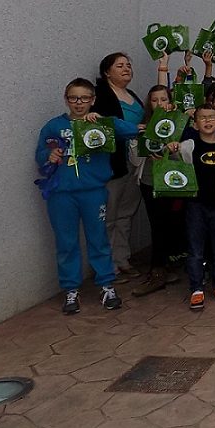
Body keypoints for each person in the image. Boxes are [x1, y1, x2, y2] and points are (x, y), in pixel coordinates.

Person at [36, 78, 138, 314]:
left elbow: (131, 130)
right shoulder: (53, 126)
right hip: (61, 194)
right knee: (66, 242)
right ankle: (71, 290)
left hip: (93, 192)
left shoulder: (101, 122)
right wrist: (48, 156)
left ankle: (106, 285)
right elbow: (40, 153)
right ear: (66, 99)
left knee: (98, 239)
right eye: (73, 98)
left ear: (92, 100)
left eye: (84, 98)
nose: (79, 103)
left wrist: (104, 121)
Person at [171, 105, 215, 310]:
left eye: (212, 117)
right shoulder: (188, 146)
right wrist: (172, 149)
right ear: (195, 124)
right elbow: (174, 163)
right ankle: (196, 287)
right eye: (202, 118)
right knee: (195, 250)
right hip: (195, 205)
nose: (208, 121)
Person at [93, 52, 144, 281]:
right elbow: (106, 124)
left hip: (135, 161)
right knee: (110, 214)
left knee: (126, 212)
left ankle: (122, 259)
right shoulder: (101, 94)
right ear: (107, 72)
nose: (126, 69)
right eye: (120, 66)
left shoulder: (131, 94)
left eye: (129, 65)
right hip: (114, 162)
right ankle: (107, 265)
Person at [129, 85, 180, 297]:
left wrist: (174, 147)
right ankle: (157, 271)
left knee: (169, 225)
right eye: (154, 100)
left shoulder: (178, 124)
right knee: (157, 225)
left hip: (174, 182)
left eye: (163, 99)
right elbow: (134, 159)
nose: (159, 104)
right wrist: (145, 150)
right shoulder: (142, 126)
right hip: (150, 181)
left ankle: (164, 267)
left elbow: (187, 154)